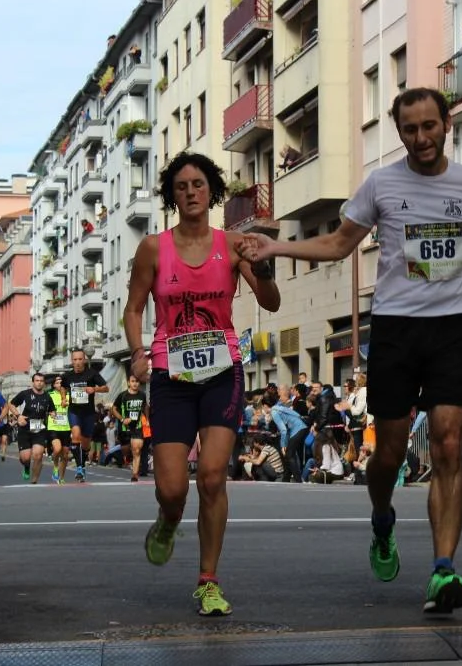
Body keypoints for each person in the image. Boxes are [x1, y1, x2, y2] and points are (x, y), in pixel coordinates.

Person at [238, 87, 462, 614]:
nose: (421, 137)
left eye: (429, 126)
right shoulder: (381, 184)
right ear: (399, 132)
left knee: (448, 445)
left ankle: (443, 570)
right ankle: (382, 516)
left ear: (446, 124)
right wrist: (278, 245)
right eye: (410, 129)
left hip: (453, 326)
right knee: (390, 453)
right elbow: (338, 243)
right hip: (397, 328)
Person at [124, 151, 281, 617]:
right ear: (172, 196)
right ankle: (168, 520)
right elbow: (134, 308)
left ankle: (208, 581)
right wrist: (137, 353)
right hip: (170, 375)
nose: (191, 192)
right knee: (173, 489)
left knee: (213, 476)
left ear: (211, 191)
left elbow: (270, 303)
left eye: (198, 185)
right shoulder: (153, 248)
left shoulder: (232, 244)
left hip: (221, 371)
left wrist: (263, 267)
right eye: (181, 186)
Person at [62, 349, 108, 483]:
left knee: (86, 444)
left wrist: (94, 389)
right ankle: (79, 468)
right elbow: (63, 387)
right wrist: (64, 398)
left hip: (88, 413)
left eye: (80, 359)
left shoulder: (92, 374)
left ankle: (82, 462)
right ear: (72, 361)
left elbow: (106, 388)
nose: (77, 362)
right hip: (74, 411)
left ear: (85, 360)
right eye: (75, 359)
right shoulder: (67, 376)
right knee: (76, 435)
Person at [6, 373, 53, 484]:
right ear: (33, 382)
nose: (39, 383)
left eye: (41, 381)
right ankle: (26, 466)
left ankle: (34, 480)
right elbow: (11, 404)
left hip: (39, 429)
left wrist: (53, 414)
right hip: (25, 429)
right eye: (37, 380)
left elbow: (52, 410)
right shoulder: (25, 394)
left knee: (38, 455)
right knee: (25, 458)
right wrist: (18, 416)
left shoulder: (47, 396)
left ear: (44, 383)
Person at [111, 374, 147, 481]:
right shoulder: (123, 395)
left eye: (137, 381)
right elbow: (113, 409)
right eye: (133, 381)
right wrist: (122, 419)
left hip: (137, 426)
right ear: (128, 383)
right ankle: (128, 457)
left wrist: (147, 419)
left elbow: (145, 407)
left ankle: (135, 474)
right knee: (126, 449)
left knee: (137, 450)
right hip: (124, 427)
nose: (135, 383)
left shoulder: (142, 395)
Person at [47, 376, 72, 484]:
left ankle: (61, 477)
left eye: (61, 383)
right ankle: (55, 467)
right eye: (57, 383)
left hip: (66, 427)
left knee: (65, 455)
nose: (60, 385)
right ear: (53, 385)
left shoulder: (69, 395)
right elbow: (45, 407)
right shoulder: (49, 395)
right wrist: (49, 412)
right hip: (53, 426)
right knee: (57, 449)